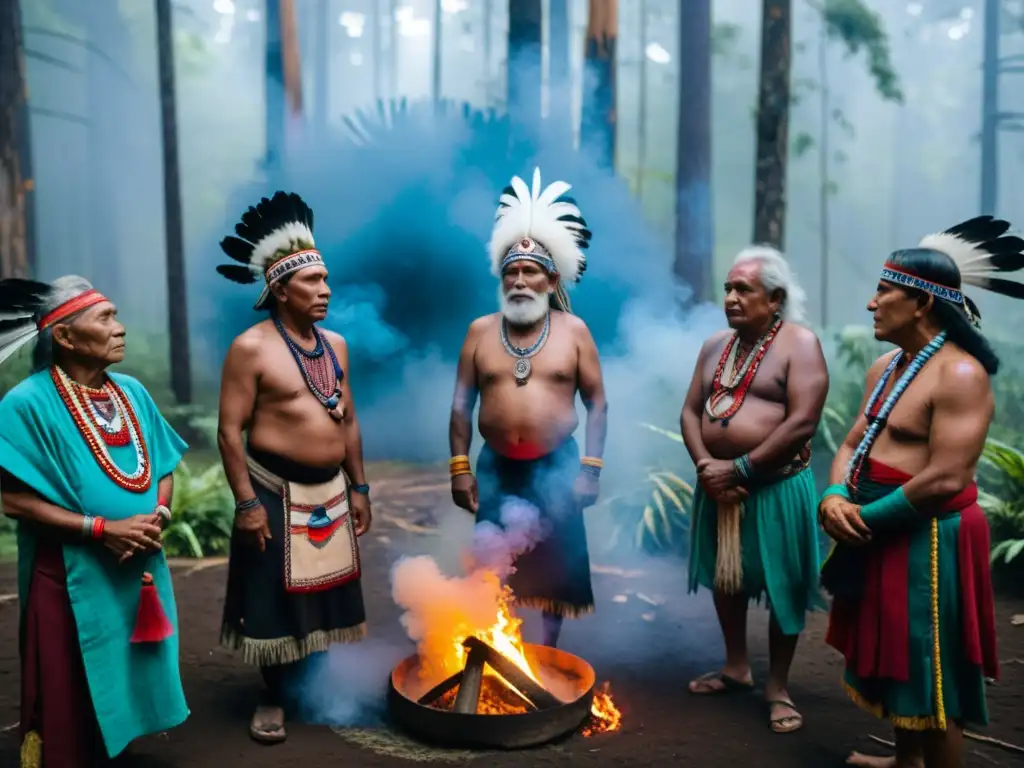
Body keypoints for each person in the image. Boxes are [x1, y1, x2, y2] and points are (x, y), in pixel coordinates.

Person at [820, 216, 1014, 768]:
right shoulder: (886, 367)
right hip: (878, 526)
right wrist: (835, 495)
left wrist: (865, 517)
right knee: (898, 661)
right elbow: (854, 440)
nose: (871, 303)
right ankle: (905, 762)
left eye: (883, 291)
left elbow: (947, 478)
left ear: (922, 302)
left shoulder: (959, 375)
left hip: (930, 539)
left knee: (934, 675)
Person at [0, 275, 189, 767]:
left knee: (122, 669)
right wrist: (102, 530)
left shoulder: (130, 392)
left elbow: (164, 465)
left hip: (138, 563)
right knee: (70, 678)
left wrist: (156, 517)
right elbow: (14, 502)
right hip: (69, 571)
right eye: (106, 318)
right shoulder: (25, 404)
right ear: (63, 336)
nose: (121, 328)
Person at [215, 190, 372, 745]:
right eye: (313, 282)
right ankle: (273, 696)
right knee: (272, 597)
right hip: (273, 489)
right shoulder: (250, 349)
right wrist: (247, 502)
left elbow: (347, 419)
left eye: (327, 280)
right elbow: (228, 431)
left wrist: (360, 486)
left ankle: (313, 687)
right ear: (280, 289)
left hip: (329, 490)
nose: (326, 290)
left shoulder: (336, 346)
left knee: (324, 592)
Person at [448, 168, 607, 649]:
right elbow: (460, 404)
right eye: (511, 271)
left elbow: (597, 402)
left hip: (557, 467)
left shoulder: (574, 332)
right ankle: (499, 651)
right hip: (496, 469)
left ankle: (547, 655)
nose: (519, 279)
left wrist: (590, 470)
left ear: (550, 277)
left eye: (530, 271)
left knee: (554, 567)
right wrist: (459, 468)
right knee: (494, 565)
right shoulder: (480, 331)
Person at [680, 246, 828, 734]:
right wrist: (707, 466)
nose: (731, 297)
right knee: (728, 580)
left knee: (782, 582)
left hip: (775, 487)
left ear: (776, 298)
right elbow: (690, 411)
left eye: (744, 289)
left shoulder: (799, 343)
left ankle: (778, 686)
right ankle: (736, 667)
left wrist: (740, 467)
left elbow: (803, 420)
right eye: (728, 288)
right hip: (718, 485)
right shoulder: (714, 345)